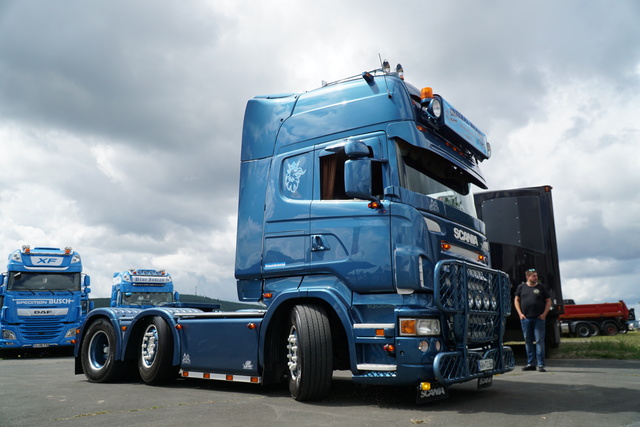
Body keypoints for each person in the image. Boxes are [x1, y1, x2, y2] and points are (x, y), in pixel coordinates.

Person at [514, 268, 551, 372]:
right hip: (525, 319)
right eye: (534, 276)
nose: (536, 277)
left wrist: (544, 314)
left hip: (539, 319)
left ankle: (541, 365)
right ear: (528, 277)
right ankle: (531, 364)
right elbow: (516, 300)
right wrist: (520, 314)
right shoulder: (521, 287)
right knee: (528, 341)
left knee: (539, 341)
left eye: (536, 276)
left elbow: (548, 301)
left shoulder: (541, 287)